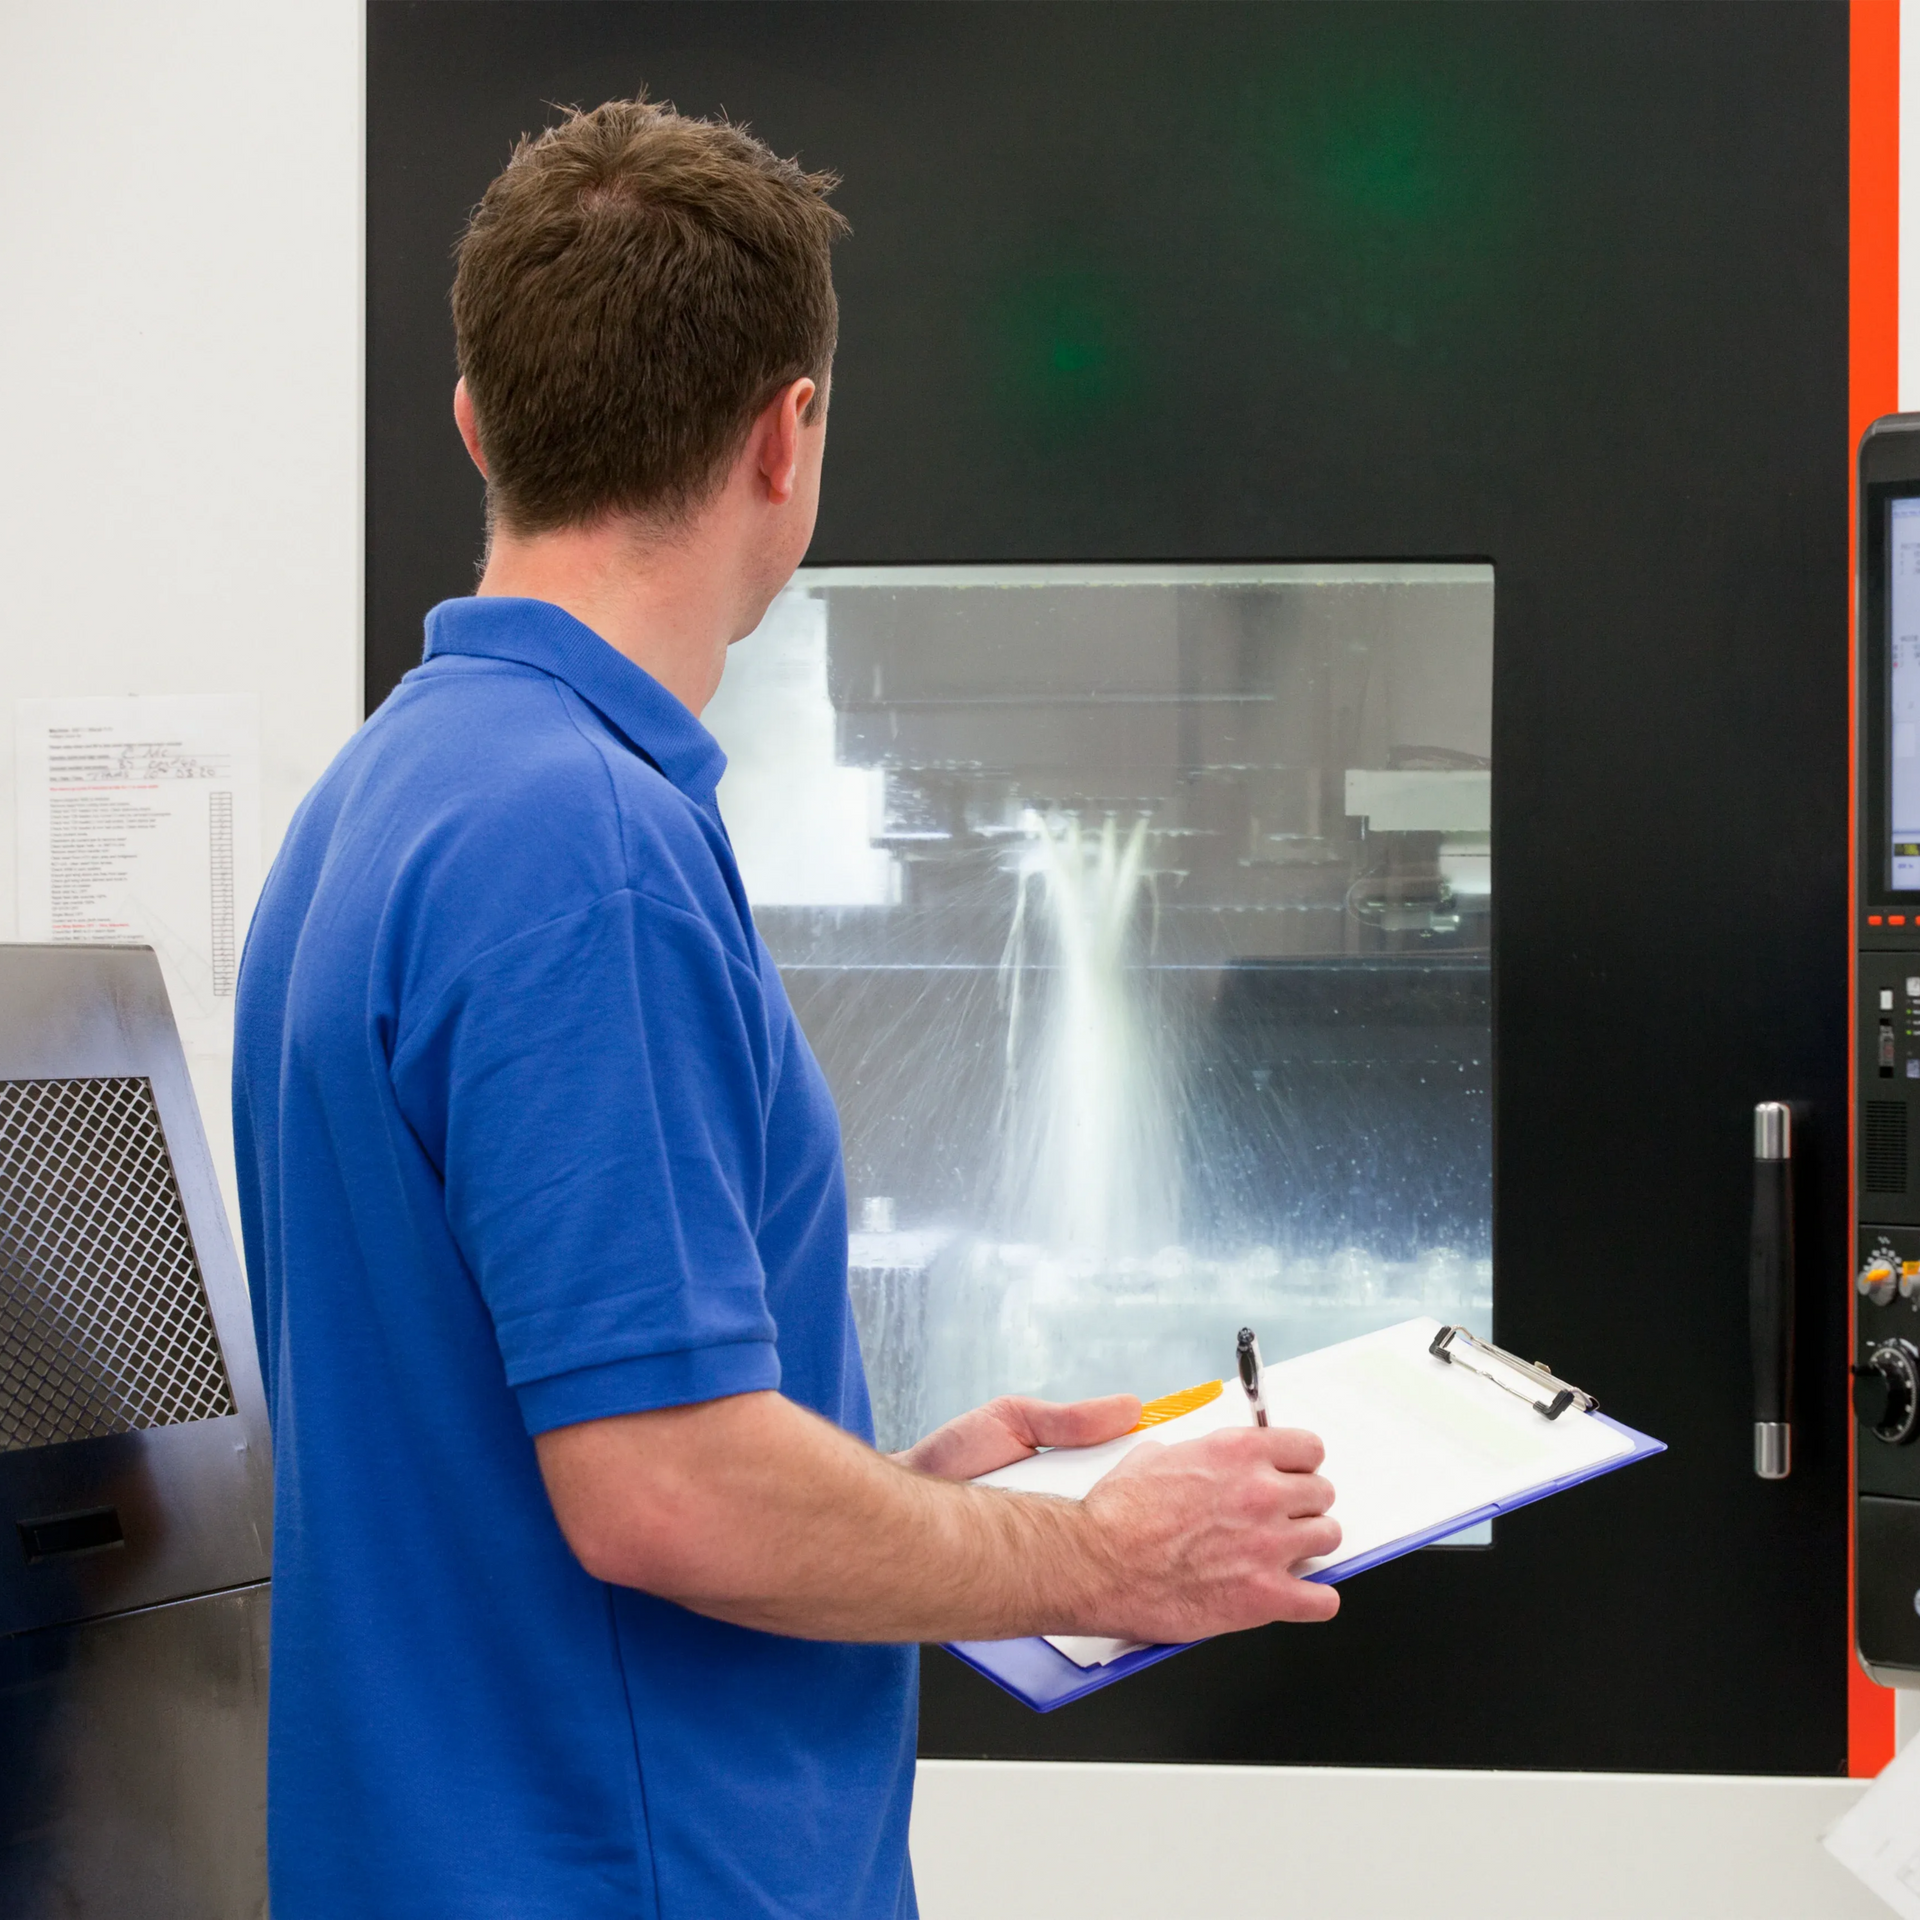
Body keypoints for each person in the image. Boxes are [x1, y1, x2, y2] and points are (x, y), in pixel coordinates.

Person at [233, 95, 1340, 1920]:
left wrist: (901, 1493)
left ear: (474, 421)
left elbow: (553, 1466)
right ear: (787, 435)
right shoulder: (579, 845)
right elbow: (663, 1498)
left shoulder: (387, 800)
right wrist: (1100, 1564)